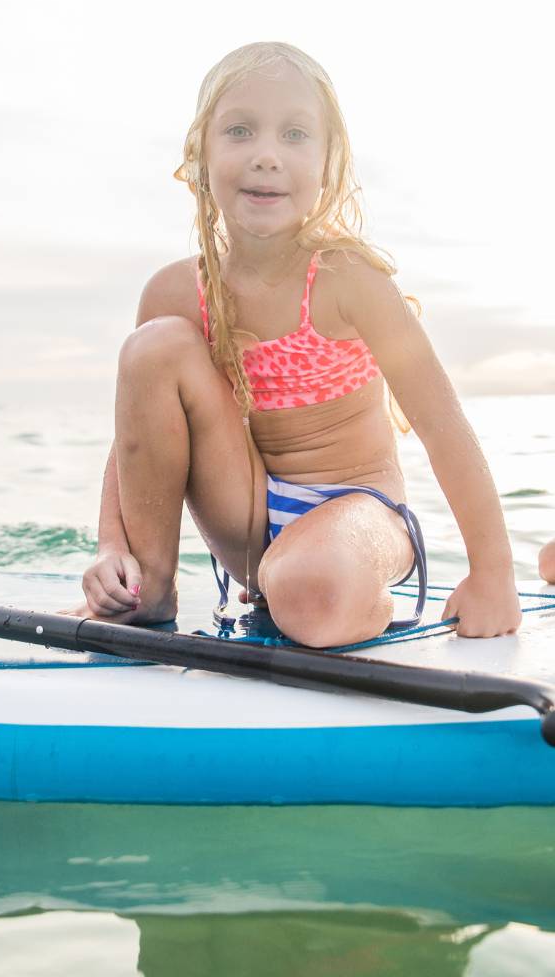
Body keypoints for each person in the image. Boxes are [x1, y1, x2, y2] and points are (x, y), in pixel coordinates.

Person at [76, 41, 519, 646]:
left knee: (309, 590)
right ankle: (150, 586)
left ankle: (348, 597)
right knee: (152, 348)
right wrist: (111, 546)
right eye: (239, 131)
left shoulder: (348, 279)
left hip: (360, 511)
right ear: (200, 157)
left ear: (328, 161)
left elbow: (443, 423)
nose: (266, 156)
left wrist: (493, 574)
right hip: (247, 516)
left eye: (293, 135)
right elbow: (133, 437)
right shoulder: (178, 290)